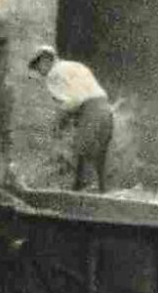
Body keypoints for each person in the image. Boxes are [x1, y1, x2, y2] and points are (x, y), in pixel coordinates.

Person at [28, 46, 113, 192]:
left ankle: (80, 198)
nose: (39, 71)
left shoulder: (53, 74)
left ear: (46, 60)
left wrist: (58, 123)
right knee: (99, 162)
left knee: (82, 156)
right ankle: (100, 197)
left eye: (38, 66)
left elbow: (74, 100)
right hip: (106, 111)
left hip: (91, 112)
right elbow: (83, 94)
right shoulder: (75, 65)